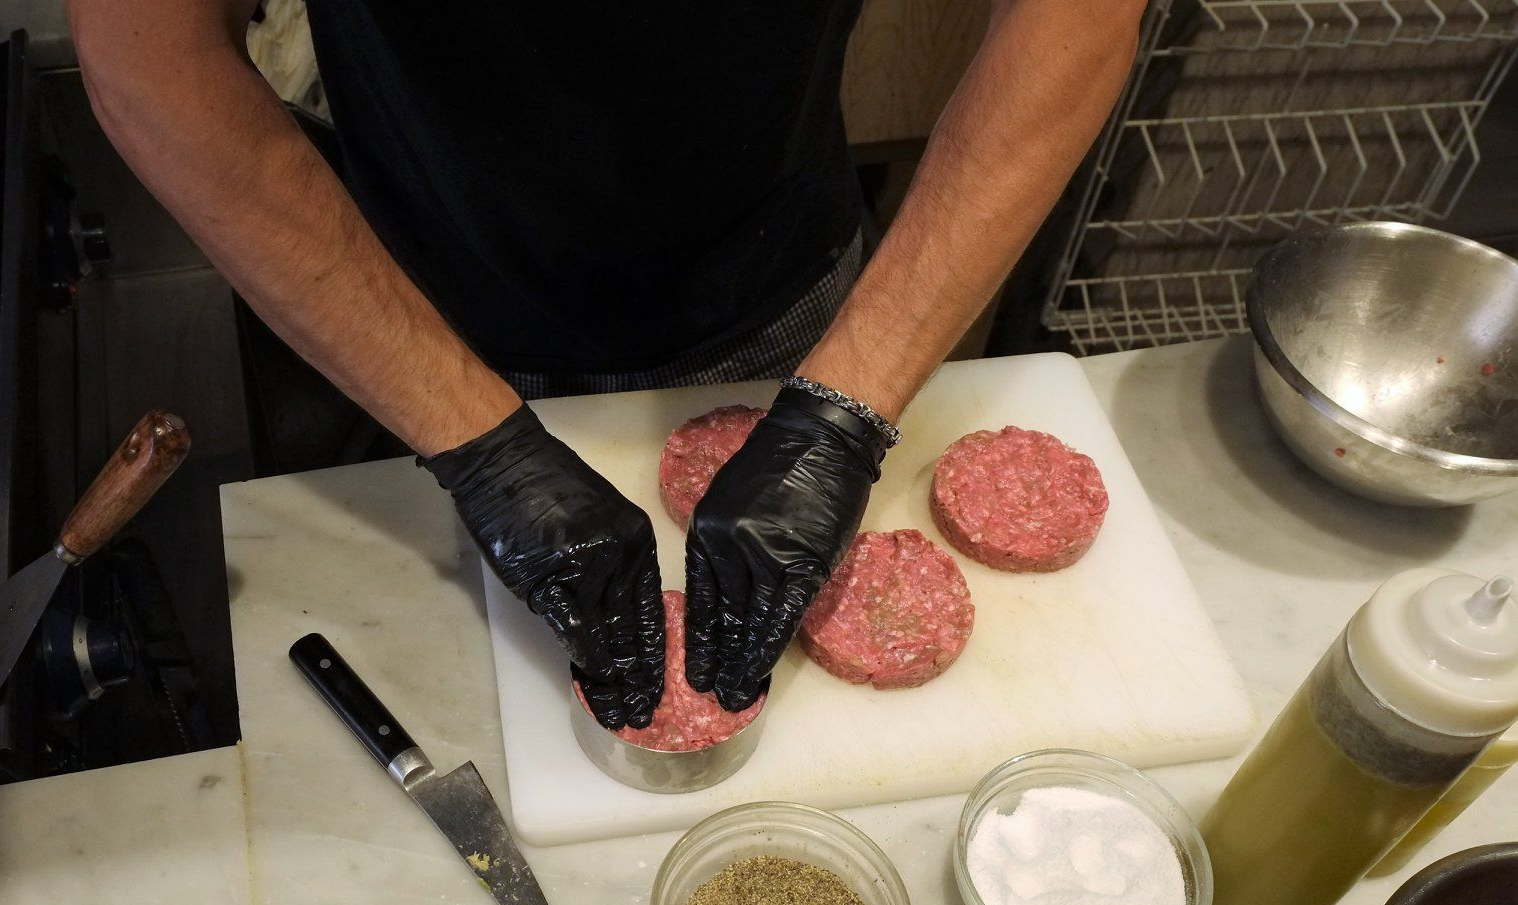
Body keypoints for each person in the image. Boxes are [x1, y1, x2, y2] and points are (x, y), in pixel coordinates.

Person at [71, 0, 1148, 729]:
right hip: (399, 305)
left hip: (782, 288)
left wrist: (848, 405)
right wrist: (475, 442)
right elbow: (146, 55)